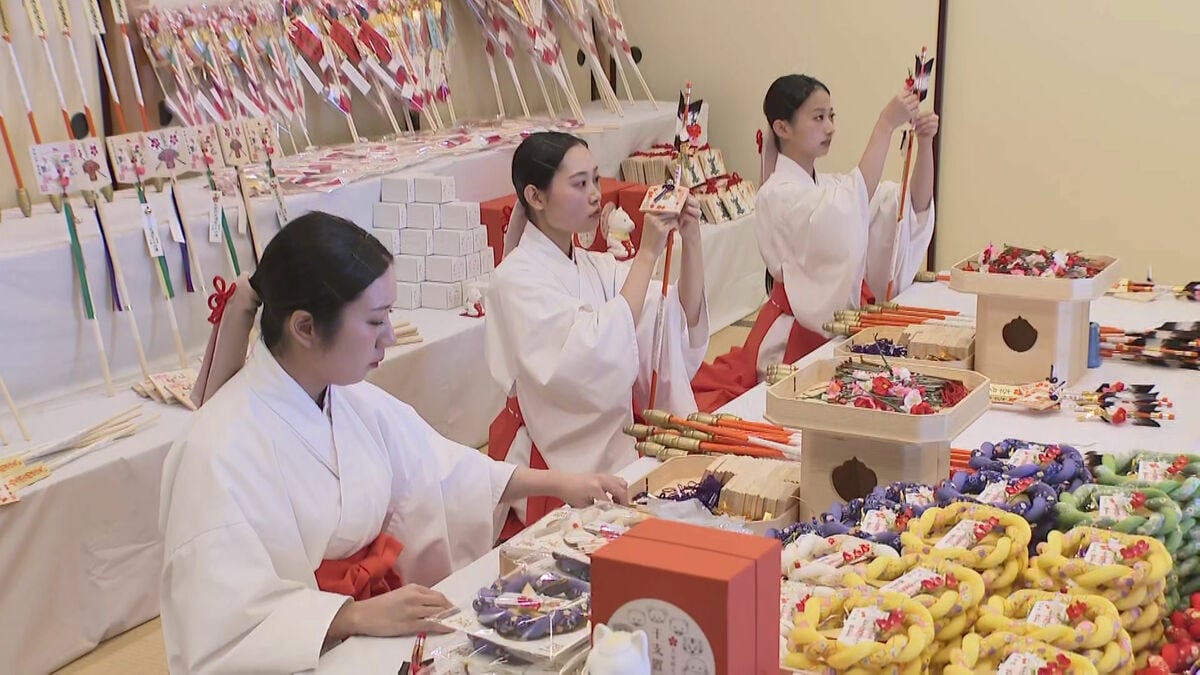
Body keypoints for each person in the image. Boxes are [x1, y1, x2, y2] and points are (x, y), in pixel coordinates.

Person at [160, 212, 628, 674]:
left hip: (372, 627)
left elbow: (444, 469)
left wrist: (562, 483)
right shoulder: (215, 451)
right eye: (374, 321)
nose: (389, 338)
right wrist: (351, 615)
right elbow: (221, 620)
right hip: (301, 650)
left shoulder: (349, 399)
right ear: (304, 328)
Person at [485, 132, 709, 537]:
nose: (595, 195)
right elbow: (586, 357)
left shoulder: (594, 266)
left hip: (613, 446)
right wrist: (646, 254)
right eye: (579, 183)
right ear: (535, 196)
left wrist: (691, 241)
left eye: (596, 179)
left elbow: (672, 319)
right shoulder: (514, 279)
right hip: (556, 457)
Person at [692, 74, 938, 411]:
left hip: (830, 328)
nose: (830, 127)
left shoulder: (826, 187)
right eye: (818, 117)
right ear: (782, 128)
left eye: (832, 116)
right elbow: (845, 213)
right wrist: (884, 125)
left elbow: (910, 208)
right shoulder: (777, 194)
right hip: (792, 336)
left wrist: (925, 144)